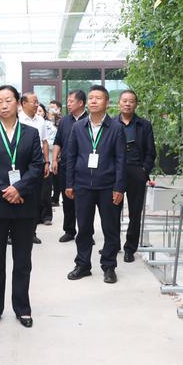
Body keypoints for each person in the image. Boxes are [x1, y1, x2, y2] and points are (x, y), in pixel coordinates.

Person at [0, 86, 44, 328]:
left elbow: (37, 166)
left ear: (17, 103)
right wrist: (6, 191)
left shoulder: (30, 133)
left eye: (8, 100)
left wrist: (19, 189)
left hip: (24, 205)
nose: (3, 105)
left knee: (22, 260)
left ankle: (22, 307)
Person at [65, 85, 126, 284]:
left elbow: (120, 160)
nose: (93, 101)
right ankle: (83, 265)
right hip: (83, 185)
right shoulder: (78, 127)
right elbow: (71, 156)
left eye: (98, 98)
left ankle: (109, 266)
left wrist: (119, 187)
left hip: (108, 186)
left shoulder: (116, 128)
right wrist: (69, 183)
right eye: (90, 98)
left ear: (107, 103)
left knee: (110, 228)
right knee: (83, 228)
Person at [117, 90, 156, 262]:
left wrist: (144, 171)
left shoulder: (144, 125)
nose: (127, 104)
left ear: (136, 104)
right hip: (116, 173)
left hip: (136, 171)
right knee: (111, 211)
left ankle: (129, 248)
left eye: (131, 101)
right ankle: (112, 245)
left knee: (135, 213)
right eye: (124, 100)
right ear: (119, 103)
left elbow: (151, 152)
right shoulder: (111, 124)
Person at [51, 90, 87, 242]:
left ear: (80, 103)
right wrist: (54, 160)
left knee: (85, 202)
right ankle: (69, 230)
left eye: (71, 101)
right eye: (68, 101)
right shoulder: (65, 121)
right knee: (68, 199)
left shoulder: (90, 119)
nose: (68, 104)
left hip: (85, 167)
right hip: (67, 165)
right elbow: (58, 141)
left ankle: (85, 233)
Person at [17, 92, 50, 244]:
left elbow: (44, 142)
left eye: (37, 101)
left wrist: (46, 162)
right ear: (23, 103)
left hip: (36, 164)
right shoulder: (17, 119)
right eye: (34, 102)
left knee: (34, 198)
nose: (37, 104)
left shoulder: (41, 120)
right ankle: (13, 233)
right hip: (19, 165)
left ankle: (32, 232)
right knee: (18, 195)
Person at [37, 103, 56, 225]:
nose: (38, 113)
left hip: (46, 159)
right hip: (32, 161)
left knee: (46, 190)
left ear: (44, 113)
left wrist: (41, 143)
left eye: (40, 111)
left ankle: (47, 216)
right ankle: (37, 216)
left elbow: (52, 143)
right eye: (37, 110)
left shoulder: (50, 127)